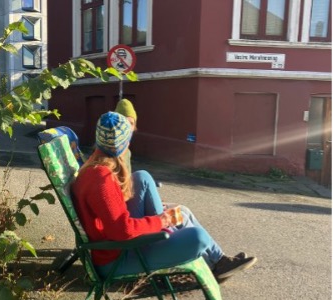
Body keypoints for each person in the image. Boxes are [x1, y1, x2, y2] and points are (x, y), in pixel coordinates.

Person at [71, 111, 257, 281]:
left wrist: (161, 216)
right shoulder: (102, 179)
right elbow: (122, 231)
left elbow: (111, 211)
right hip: (116, 259)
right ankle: (214, 263)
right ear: (124, 143)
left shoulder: (95, 168)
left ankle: (219, 260)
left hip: (116, 245)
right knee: (198, 237)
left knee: (150, 185)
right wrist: (160, 221)